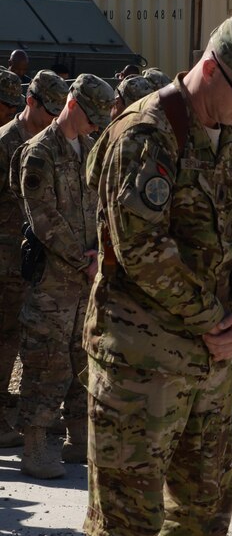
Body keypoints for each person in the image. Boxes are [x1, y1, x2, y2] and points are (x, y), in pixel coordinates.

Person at [83, 14, 232, 534]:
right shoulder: (146, 135)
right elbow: (142, 250)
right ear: (211, 67)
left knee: (204, 514)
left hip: (213, 365)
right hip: (141, 368)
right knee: (126, 522)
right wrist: (217, 320)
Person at [12, 74, 114, 479]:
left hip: (86, 276)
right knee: (46, 360)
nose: (94, 124)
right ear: (71, 104)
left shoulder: (88, 148)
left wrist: (100, 255)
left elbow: (101, 207)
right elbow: (43, 220)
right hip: (54, 279)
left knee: (83, 356)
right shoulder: (38, 153)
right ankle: (35, 447)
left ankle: (78, 438)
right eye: (89, 115)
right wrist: (82, 259)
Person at [0, 69, 68, 449]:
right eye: (49, 109)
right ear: (31, 102)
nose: (54, 117)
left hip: (33, 261)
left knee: (33, 341)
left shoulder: (48, 144)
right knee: (4, 339)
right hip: (5, 260)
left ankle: (31, 414)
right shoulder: (7, 141)